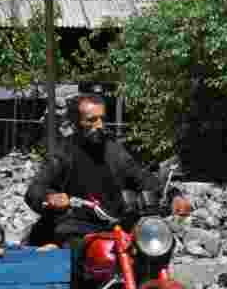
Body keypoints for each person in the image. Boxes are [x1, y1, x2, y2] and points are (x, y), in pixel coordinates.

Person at [23, 93, 192, 258]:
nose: (99, 125)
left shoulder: (114, 151)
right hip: (76, 228)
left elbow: (144, 179)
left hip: (116, 227)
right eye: (91, 120)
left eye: (101, 118)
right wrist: (50, 197)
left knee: (154, 251)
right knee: (74, 257)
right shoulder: (63, 154)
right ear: (75, 123)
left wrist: (173, 196)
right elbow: (34, 190)